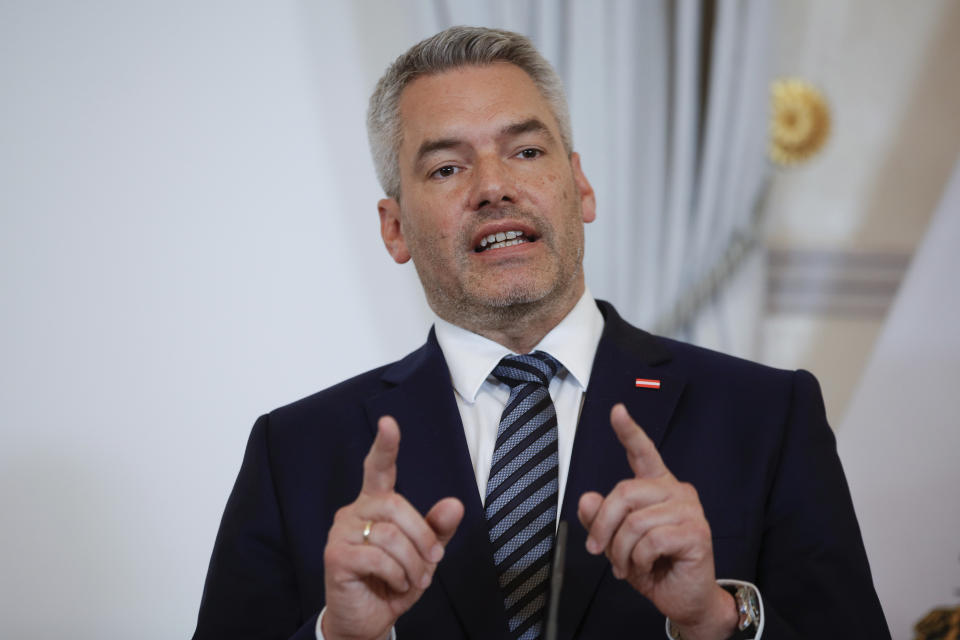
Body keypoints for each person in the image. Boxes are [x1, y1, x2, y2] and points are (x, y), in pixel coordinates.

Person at [193, 26, 889, 640]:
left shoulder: (765, 416)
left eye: (525, 151)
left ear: (580, 188)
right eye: (446, 167)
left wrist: (714, 619)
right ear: (394, 227)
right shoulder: (296, 453)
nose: (493, 186)